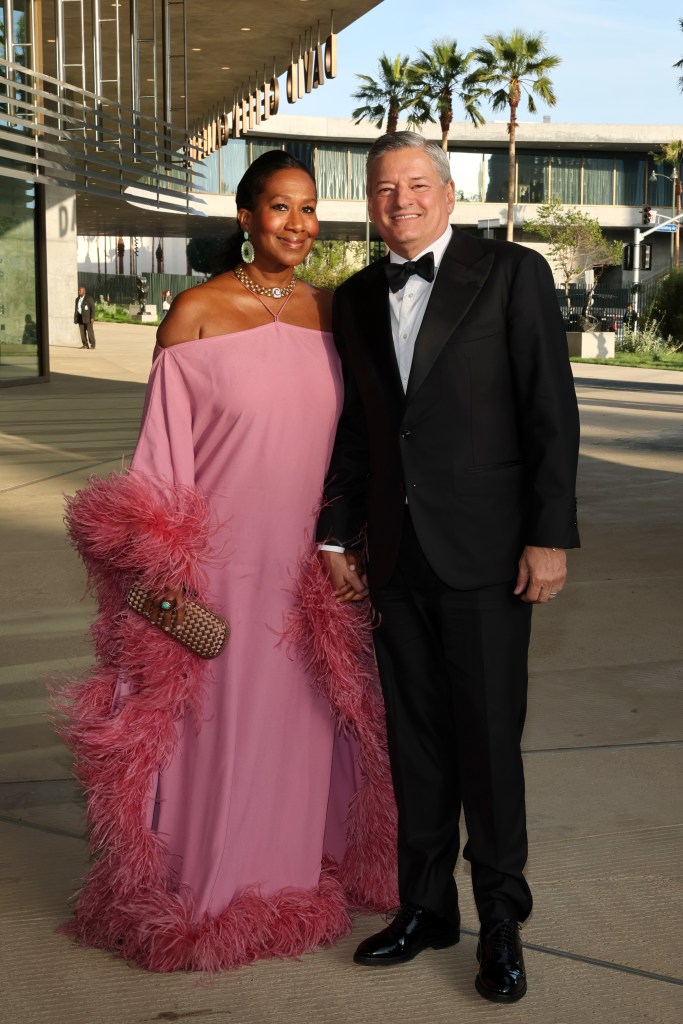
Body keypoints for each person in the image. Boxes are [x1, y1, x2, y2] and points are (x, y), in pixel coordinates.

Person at [58, 151, 397, 972]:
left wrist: (348, 538)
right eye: (280, 207)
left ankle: (294, 875)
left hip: (310, 567)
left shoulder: (336, 314)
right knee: (217, 723)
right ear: (246, 216)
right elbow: (162, 456)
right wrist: (165, 578)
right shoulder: (196, 313)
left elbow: (358, 446)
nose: (298, 224)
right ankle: (210, 888)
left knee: (307, 722)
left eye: (309, 209)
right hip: (220, 566)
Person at [317, 132, 580, 1003]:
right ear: (368, 202)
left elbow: (549, 410)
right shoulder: (356, 298)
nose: (400, 201)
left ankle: (500, 920)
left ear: (448, 191)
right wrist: (334, 535)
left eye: (415, 184)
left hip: (488, 554)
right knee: (417, 746)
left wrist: (548, 535)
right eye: (383, 189)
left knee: (488, 749)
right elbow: (360, 428)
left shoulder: (510, 273)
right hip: (395, 557)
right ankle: (425, 908)